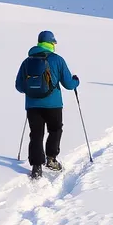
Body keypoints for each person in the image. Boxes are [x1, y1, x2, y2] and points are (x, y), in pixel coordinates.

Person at [15, 30, 80, 180]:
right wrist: (76, 81)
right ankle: (51, 159)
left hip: (32, 105)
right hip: (53, 104)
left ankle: (36, 167)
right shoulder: (57, 60)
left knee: (36, 134)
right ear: (51, 43)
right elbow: (69, 85)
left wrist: (32, 90)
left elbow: (19, 86)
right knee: (55, 130)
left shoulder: (27, 61)